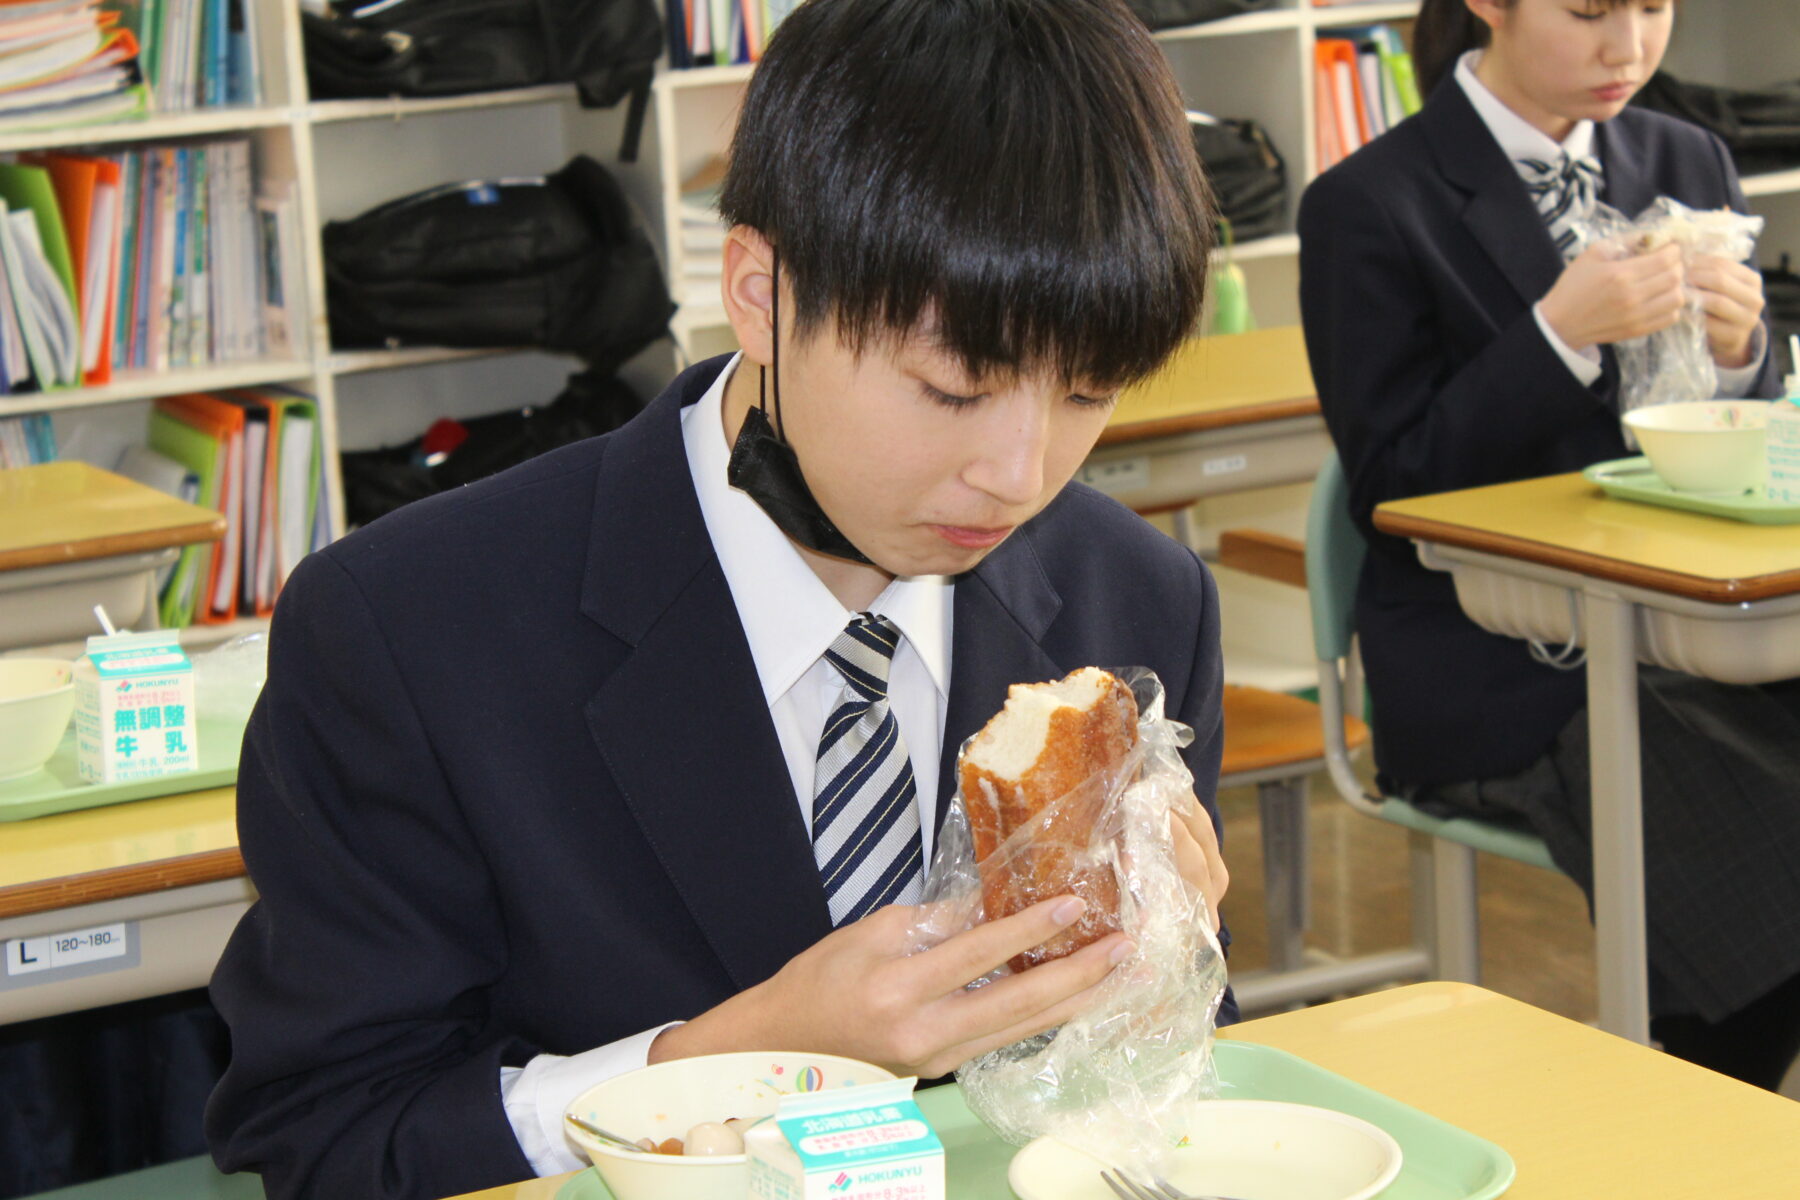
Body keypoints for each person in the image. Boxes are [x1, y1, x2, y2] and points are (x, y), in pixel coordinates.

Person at [205, 2, 1235, 1197]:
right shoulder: (408, 632)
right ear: (759, 293)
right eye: (954, 389)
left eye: (1089, 394)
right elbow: (329, 1136)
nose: (1020, 473)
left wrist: (1163, 971)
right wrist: (738, 1060)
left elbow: (1155, 1102)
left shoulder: (1141, 601)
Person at [1298, 0, 1800, 1092]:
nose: (1628, 47)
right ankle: (1716, 1099)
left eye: (1654, 9)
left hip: (1688, 618)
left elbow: (1737, 419)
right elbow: (1388, 484)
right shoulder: (1370, 203)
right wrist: (1556, 334)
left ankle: (1726, 1086)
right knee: (1758, 829)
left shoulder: (1685, 152)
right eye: (1587, 12)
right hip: (1496, 657)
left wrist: (1747, 349)